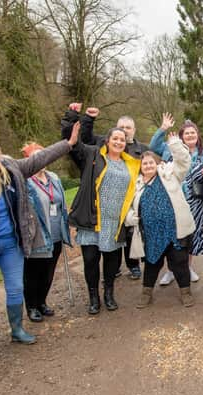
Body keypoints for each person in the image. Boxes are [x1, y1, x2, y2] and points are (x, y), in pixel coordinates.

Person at [0, 125, 79, 360]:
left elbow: (40, 158)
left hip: (12, 246)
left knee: (16, 287)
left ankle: (17, 329)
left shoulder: (11, 169)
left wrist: (67, 144)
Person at [66, 117, 141, 315]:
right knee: (90, 260)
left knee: (112, 261)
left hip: (115, 222)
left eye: (122, 140)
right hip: (92, 219)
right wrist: (72, 120)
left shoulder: (131, 164)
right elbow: (76, 146)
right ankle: (93, 298)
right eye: (115, 138)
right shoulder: (93, 155)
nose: (118, 142)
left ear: (126, 143)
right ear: (107, 141)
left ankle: (109, 293)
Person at [75, 104, 149, 280]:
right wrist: (88, 120)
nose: (124, 131)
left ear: (134, 130)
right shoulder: (104, 144)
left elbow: (152, 164)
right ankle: (113, 268)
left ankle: (133, 264)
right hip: (108, 201)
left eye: (128, 128)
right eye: (121, 127)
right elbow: (85, 138)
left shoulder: (143, 149)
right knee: (112, 239)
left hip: (131, 197)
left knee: (130, 234)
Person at [124, 135, 196, 307]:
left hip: (174, 230)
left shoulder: (170, 174)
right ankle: (146, 293)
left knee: (180, 262)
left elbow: (184, 162)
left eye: (151, 162)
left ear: (157, 163)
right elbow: (127, 207)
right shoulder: (136, 184)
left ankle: (186, 292)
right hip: (151, 233)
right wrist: (130, 217)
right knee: (152, 264)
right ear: (140, 167)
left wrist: (175, 144)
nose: (148, 165)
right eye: (145, 163)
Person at [149, 113, 203, 284]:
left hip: (196, 200)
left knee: (192, 233)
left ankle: (188, 267)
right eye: (187, 133)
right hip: (172, 198)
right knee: (172, 233)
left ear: (197, 135)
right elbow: (153, 145)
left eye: (193, 133)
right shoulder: (169, 148)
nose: (190, 135)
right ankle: (171, 270)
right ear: (181, 136)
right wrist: (163, 128)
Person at [21, 143, 72, 323]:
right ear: (28, 160)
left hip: (56, 233)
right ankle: (32, 306)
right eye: (35, 157)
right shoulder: (24, 181)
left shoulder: (54, 178)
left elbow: (60, 203)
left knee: (49, 272)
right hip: (36, 236)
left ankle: (42, 302)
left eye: (43, 155)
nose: (41, 160)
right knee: (33, 273)